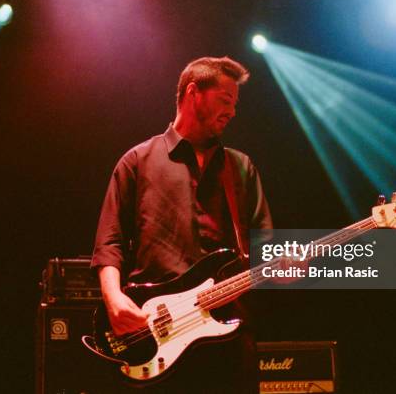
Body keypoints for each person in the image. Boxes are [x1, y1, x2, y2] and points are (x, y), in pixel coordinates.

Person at [91, 56, 273, 393]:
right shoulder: (137, 162)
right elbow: (110, 241)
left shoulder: (241, 167)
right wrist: (113, 297)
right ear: (193, 93)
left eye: (235, 103)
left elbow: (266, 247)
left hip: (228, 336)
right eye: (225, 100)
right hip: (155, 335)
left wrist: (286, 266)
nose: (233, 111)